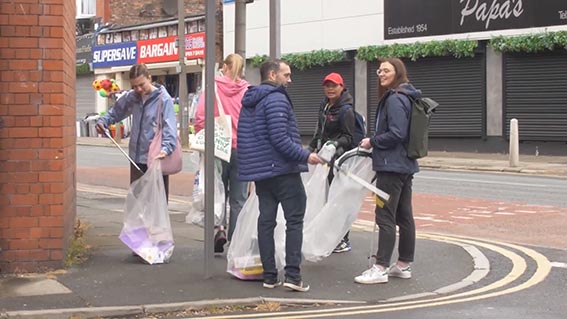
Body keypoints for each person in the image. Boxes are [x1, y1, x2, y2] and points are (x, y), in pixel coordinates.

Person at [237, 59, 323, 292]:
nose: (290, 80)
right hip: (283, 170)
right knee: (294, 220)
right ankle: (293, 276)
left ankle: (269, 276)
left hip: (262, 173)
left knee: (266, 221)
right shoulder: (275, 98)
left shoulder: (250, 101)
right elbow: (280, 139)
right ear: (273, 75)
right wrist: (305, 156)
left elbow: (249, 139)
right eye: (287, 75)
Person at [355, 58, 419, 284]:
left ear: (397, 72)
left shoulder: (394, 99)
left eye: (386, 70)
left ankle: (380, 267)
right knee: (404, 215)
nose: (381, 74)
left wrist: (371, 141)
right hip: (404, 164)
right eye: (379, 70)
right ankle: (403, 265)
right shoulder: (407, 95)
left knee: (385, 216)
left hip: (391, 166)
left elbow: (397, 133)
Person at [95, 63, 178, 201]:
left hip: (155, 158)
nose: (138, 89)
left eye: (142, 85)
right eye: (134, 86)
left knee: (157, 203)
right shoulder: (132, 97)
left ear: (149, 78)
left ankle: (155, 224)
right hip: (135, 158)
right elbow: (116, 111)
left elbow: (170, 127)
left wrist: (166, 149)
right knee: (137, 203)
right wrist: (103, 121)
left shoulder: (163, 99)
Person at [194, 53, 249, 253]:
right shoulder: (247, 90)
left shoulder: (212, 88)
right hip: (241, 148)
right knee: (238, 199)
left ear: (224, 67)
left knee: (217, 193)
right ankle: (236, 244)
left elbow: (200, 117)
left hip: (218, 148)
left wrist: (203, 138)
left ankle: (219, 230)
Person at [307, 72, 356, 253]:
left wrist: (335, 144)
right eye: (327, 85)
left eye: (334, 85)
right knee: (325, 198)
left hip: (337, 160)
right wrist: (310, 147)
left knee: (337, 199)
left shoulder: (345, 110)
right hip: (323, 158)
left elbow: (349, 137)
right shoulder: (325, 106)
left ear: (342, 87)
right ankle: (329, 235)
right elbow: (319, 131)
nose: (330, 89)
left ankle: (343, 239)